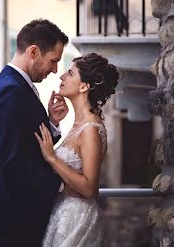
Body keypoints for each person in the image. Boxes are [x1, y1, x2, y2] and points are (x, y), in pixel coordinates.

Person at [0, 19, 69, 247]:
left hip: (15, 215)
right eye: (53, 61)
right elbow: (13, 161)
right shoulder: (13, 91)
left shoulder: (11, 83)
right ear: (33, 52)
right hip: (17, 218)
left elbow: (25, 144)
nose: (55, 70)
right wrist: (62, 184)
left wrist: (51, 123)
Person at [36, 53, 120, 246]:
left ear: (84, 86)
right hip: (63, 213)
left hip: (78, 219)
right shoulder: (77, 125)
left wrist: (52, 158)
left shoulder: (90, 129)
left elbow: (90, 189)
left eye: (70, 73)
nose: (62, 77)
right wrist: (54, 121)